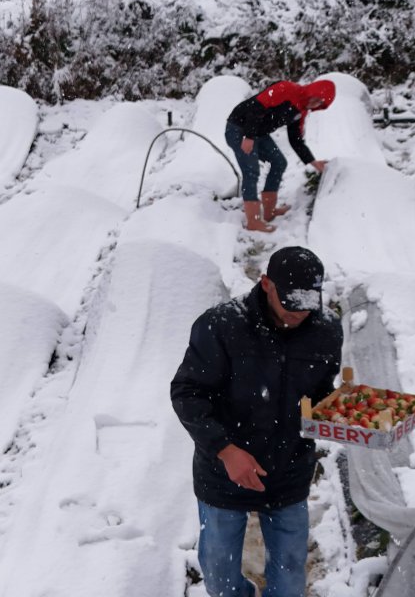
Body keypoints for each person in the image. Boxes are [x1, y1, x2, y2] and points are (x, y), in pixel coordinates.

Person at [171, 246, 342, 597]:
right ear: (266, 284)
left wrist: (341, 413)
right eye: (291, 303)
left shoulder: (325, 330)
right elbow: (187, 392)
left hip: (289, 467)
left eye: (307, 304)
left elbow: (320, 392)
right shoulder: (221, 326)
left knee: (291, 572)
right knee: (219, 572)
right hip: (223, 472)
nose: (299, 314)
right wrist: (225, 450)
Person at [225, 80, 335, 232]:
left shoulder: (301, 111)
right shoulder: (286, 89)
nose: (315, 103)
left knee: (279, 162)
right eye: (316, 98)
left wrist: (313, 162)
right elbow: (255, 107)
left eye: (320, 103)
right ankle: (253, 221)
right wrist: (249, 136)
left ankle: (269, 212)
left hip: (258, 133)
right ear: (312, 90)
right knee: (251, 170)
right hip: (238, 128)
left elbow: (295, 139)